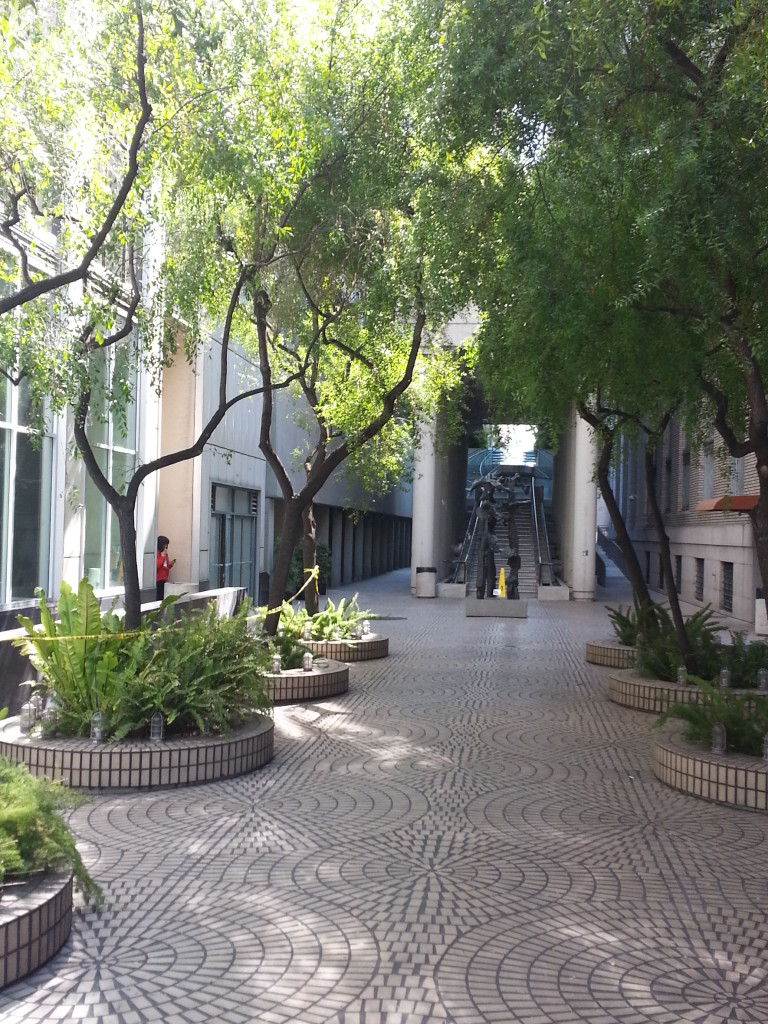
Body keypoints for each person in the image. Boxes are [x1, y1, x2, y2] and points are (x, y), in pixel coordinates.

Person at [156, 535, 176, 600]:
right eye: (165, 545)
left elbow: (165, 565)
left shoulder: (165, 554)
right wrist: (162, 557)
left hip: (164, 578)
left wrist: (170, 565)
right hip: (158, 579)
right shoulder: (157, 554)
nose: (166, 547)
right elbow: (157, 566)